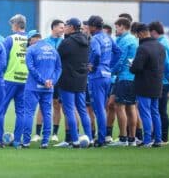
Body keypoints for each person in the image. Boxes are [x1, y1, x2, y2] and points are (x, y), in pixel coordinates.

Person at [22, 32, 62, 149]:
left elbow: (31, 68)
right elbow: (59, 68)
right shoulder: (53, 50)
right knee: (47, 113)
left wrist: (42, 80)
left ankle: (26, 142)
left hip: (33, 87)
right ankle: (44, 142)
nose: (29, 43)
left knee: (29, 113)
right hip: (48, 87)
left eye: (29, 40)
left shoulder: (31, 49)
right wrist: (51, 81)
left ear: (34, 39)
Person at [57, 18, 92, 148]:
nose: (64, 27)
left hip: (67, 79)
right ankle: (90, 139)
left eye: (66, 25)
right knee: (82, 110)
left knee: (69, 110)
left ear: (71, 27)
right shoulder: (87, 40)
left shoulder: (67, 42)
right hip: (82, 80)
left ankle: (75, 140)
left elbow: (57, 57)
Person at [87, 15, 121, 147]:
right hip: (107, 76)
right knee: (102, 108)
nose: (88, 28)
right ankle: (103, 136)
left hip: (97, 76)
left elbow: (96, 53)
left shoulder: (95, 38)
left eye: (89, 25)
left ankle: (101, 140)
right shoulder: (107, 36)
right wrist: (110, 66)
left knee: (99, 108)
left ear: (93, 27)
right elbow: (118, 52)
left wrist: (92, 65)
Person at [130, 23, 165, 147]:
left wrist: (131, 66)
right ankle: (158, 140)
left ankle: (147, 140)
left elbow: (137, 68)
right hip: (157, 83)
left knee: (145, 112)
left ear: (140, 34)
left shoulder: (143, 48)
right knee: (155, 112)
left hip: (144, 84)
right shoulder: (160, 46)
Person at [109, 18, 138, 147]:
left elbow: (120, 60)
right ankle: (132, 139)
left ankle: (123, 138)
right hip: (133, 78)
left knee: (119, 107)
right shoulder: (133, 39)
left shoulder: (125, 40)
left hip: (124, 77)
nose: (116, 30)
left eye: (117, 27)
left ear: (122, 27)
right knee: (131, 107)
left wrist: (110, 72)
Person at [0, 14, 28, 147]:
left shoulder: (9, 39)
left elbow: (3, 61)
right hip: (25, 80)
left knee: (1, 110)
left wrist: (2, 73)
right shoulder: (31, 39)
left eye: (12, 25)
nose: (11, 28)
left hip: (9, 79)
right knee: (21, 112)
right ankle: (17, 141)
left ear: (16, 25)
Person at [149, 21, 169, 145]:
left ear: (153, 31)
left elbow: (166, 63)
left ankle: (163, 137)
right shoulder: (165, 41)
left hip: (162, 80)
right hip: (164, 79)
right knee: (159, 109)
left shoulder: (161, 44)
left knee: (160, 110)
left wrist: (168, 76)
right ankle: (159, 136)